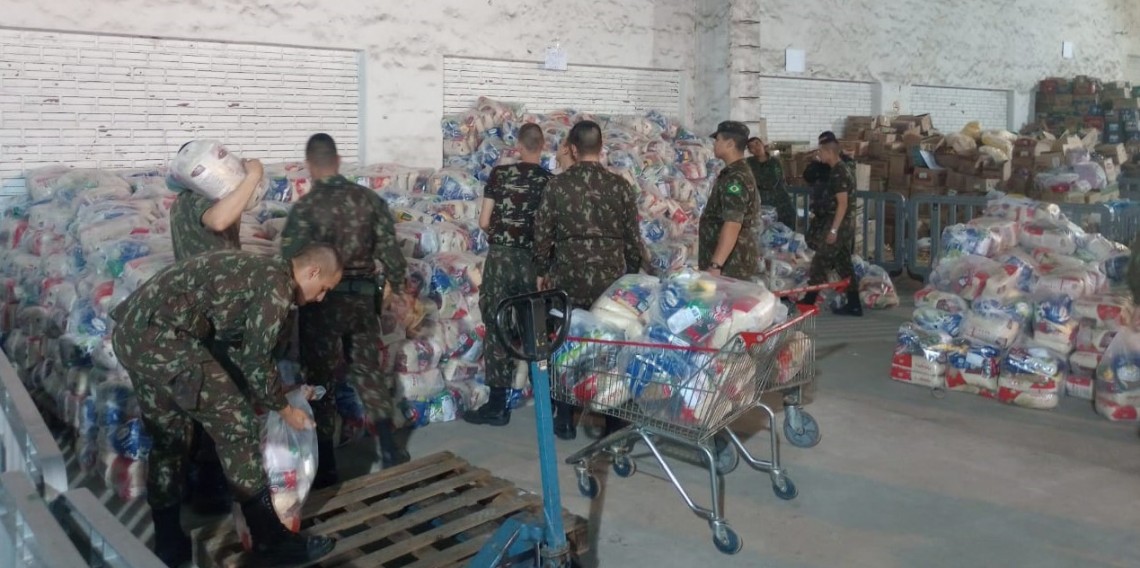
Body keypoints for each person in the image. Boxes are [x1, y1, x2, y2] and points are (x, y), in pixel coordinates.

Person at [110, 246, 342, 567]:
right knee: (238, 427)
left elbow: (238, 350)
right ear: (312, 272)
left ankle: (167, 541)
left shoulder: (260, 270)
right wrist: (285, 409)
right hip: (166, 340)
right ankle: (270, 541)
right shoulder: (277, 285)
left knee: (170, 438)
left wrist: (276, 391)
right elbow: (255, 358)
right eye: (325, 289)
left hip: (133, 335)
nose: (320, 298)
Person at [280, 133, 410, 486]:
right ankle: (389, 448)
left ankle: (326, 466)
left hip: (320, 304)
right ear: (338, 162)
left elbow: (287, 259)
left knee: (319, 380)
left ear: (310, 166)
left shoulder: (305, 209)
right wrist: (397, 288)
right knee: (368, 373)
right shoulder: (368, 200)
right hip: (362, 301)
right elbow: (392, 255)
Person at [168, 149, 265, 516]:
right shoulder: (195, 200)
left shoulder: (196, 199)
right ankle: (209, 489)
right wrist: (252, 176)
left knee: (210, 398)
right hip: (210, 316)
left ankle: (202, 483)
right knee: (221, 400)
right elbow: (221, 220)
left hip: (213, 312)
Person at [533, 120, 643, 440]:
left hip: (569, 277)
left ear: (573, 148)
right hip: (610, 282)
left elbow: (542, 234)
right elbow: (633, 239)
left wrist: (541, 269)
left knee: (566, 343)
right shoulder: (620, 186)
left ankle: (565, 418)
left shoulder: (558, 186)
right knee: (611, 348)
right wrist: (631, 278)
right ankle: (611, 422)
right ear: (601, 146)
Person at [464, 123, 552, 427]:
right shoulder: (549, 182)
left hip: (501, 258)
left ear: (518, 145)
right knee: (536, 328)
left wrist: (503, 235)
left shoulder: (501, 175)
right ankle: (548, 402)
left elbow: (484, 220)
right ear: (542, 146)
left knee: (498, 323)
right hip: (532, 262)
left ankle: (498, 406)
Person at [799, 134, 862, 316]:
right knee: (843, 264)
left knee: (820, 261)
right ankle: (854, 304)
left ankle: (809, 302)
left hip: (839, 224)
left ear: (828, 151)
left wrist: (833, 230)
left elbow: (842, 203)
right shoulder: (837, 169)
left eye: (820, 151)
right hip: (841, 223)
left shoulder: (839, 171)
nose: (819, 154)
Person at [699, 121, 761, 281]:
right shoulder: (733, 173)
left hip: (731, 265)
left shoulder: (735, 178)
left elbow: (733, 224)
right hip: (731, 262)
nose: (715, 144)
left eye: (718, 140)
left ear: (730, 144)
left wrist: (716, 265)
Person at [746, 136, 796, 228]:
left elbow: (773, 180)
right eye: (751, 146)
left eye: (757, 143)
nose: (756, 147)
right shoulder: (748, 163)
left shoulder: (774, 162)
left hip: (781, 202)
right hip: (762, 203)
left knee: (786, 229)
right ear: (750, 151)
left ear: (763, 144)